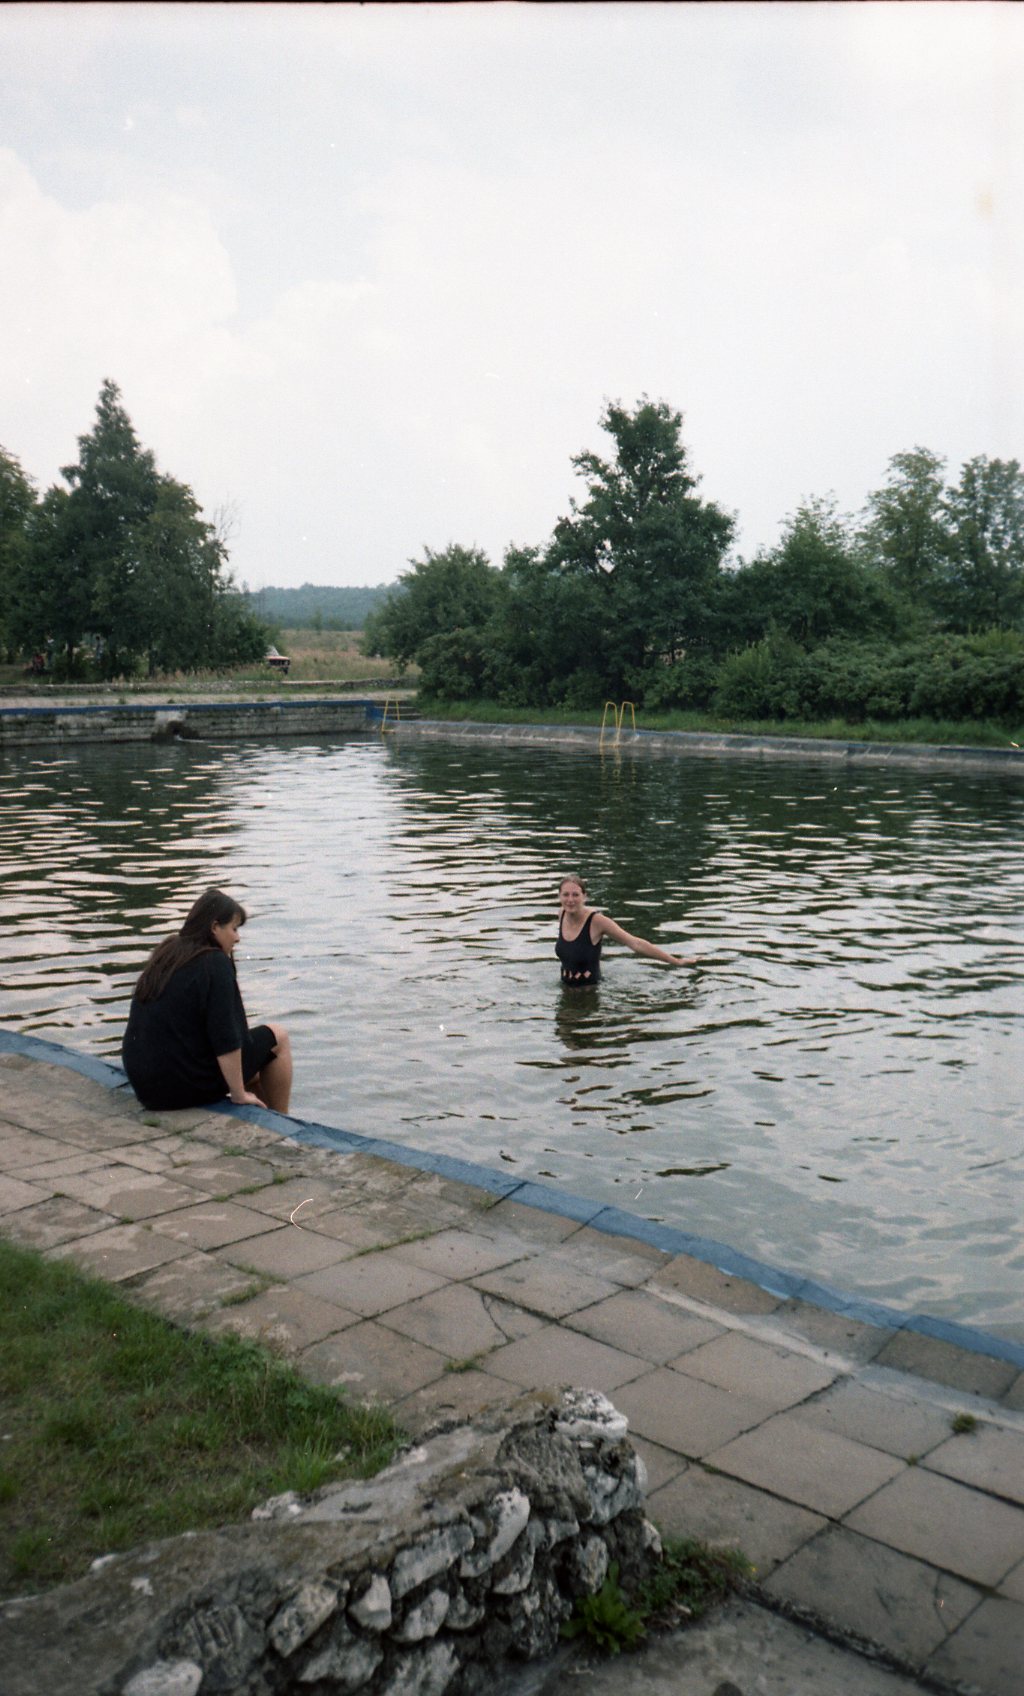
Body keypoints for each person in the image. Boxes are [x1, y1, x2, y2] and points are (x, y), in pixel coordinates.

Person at [121, 888, 292, 1112]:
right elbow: (226, 1037)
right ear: (214, 927)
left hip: (147, 1088)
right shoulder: (215, 962)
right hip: (182, 1089)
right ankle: (283, 1119)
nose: (237, 938)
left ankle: (265, 1115)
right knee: (278, 1037)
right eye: (233, 929)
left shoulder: (168, 951)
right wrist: (238, 1094)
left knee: (255, 1070)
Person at [555, 874, 696, 987]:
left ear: (584, 896)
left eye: (575, 895)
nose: (570, 900)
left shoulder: (597, 921)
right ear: (559, 896)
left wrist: (675, 961)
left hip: (588, 993)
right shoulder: (562, 914)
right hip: (565, 990)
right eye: (566, 895)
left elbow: (635, 943)